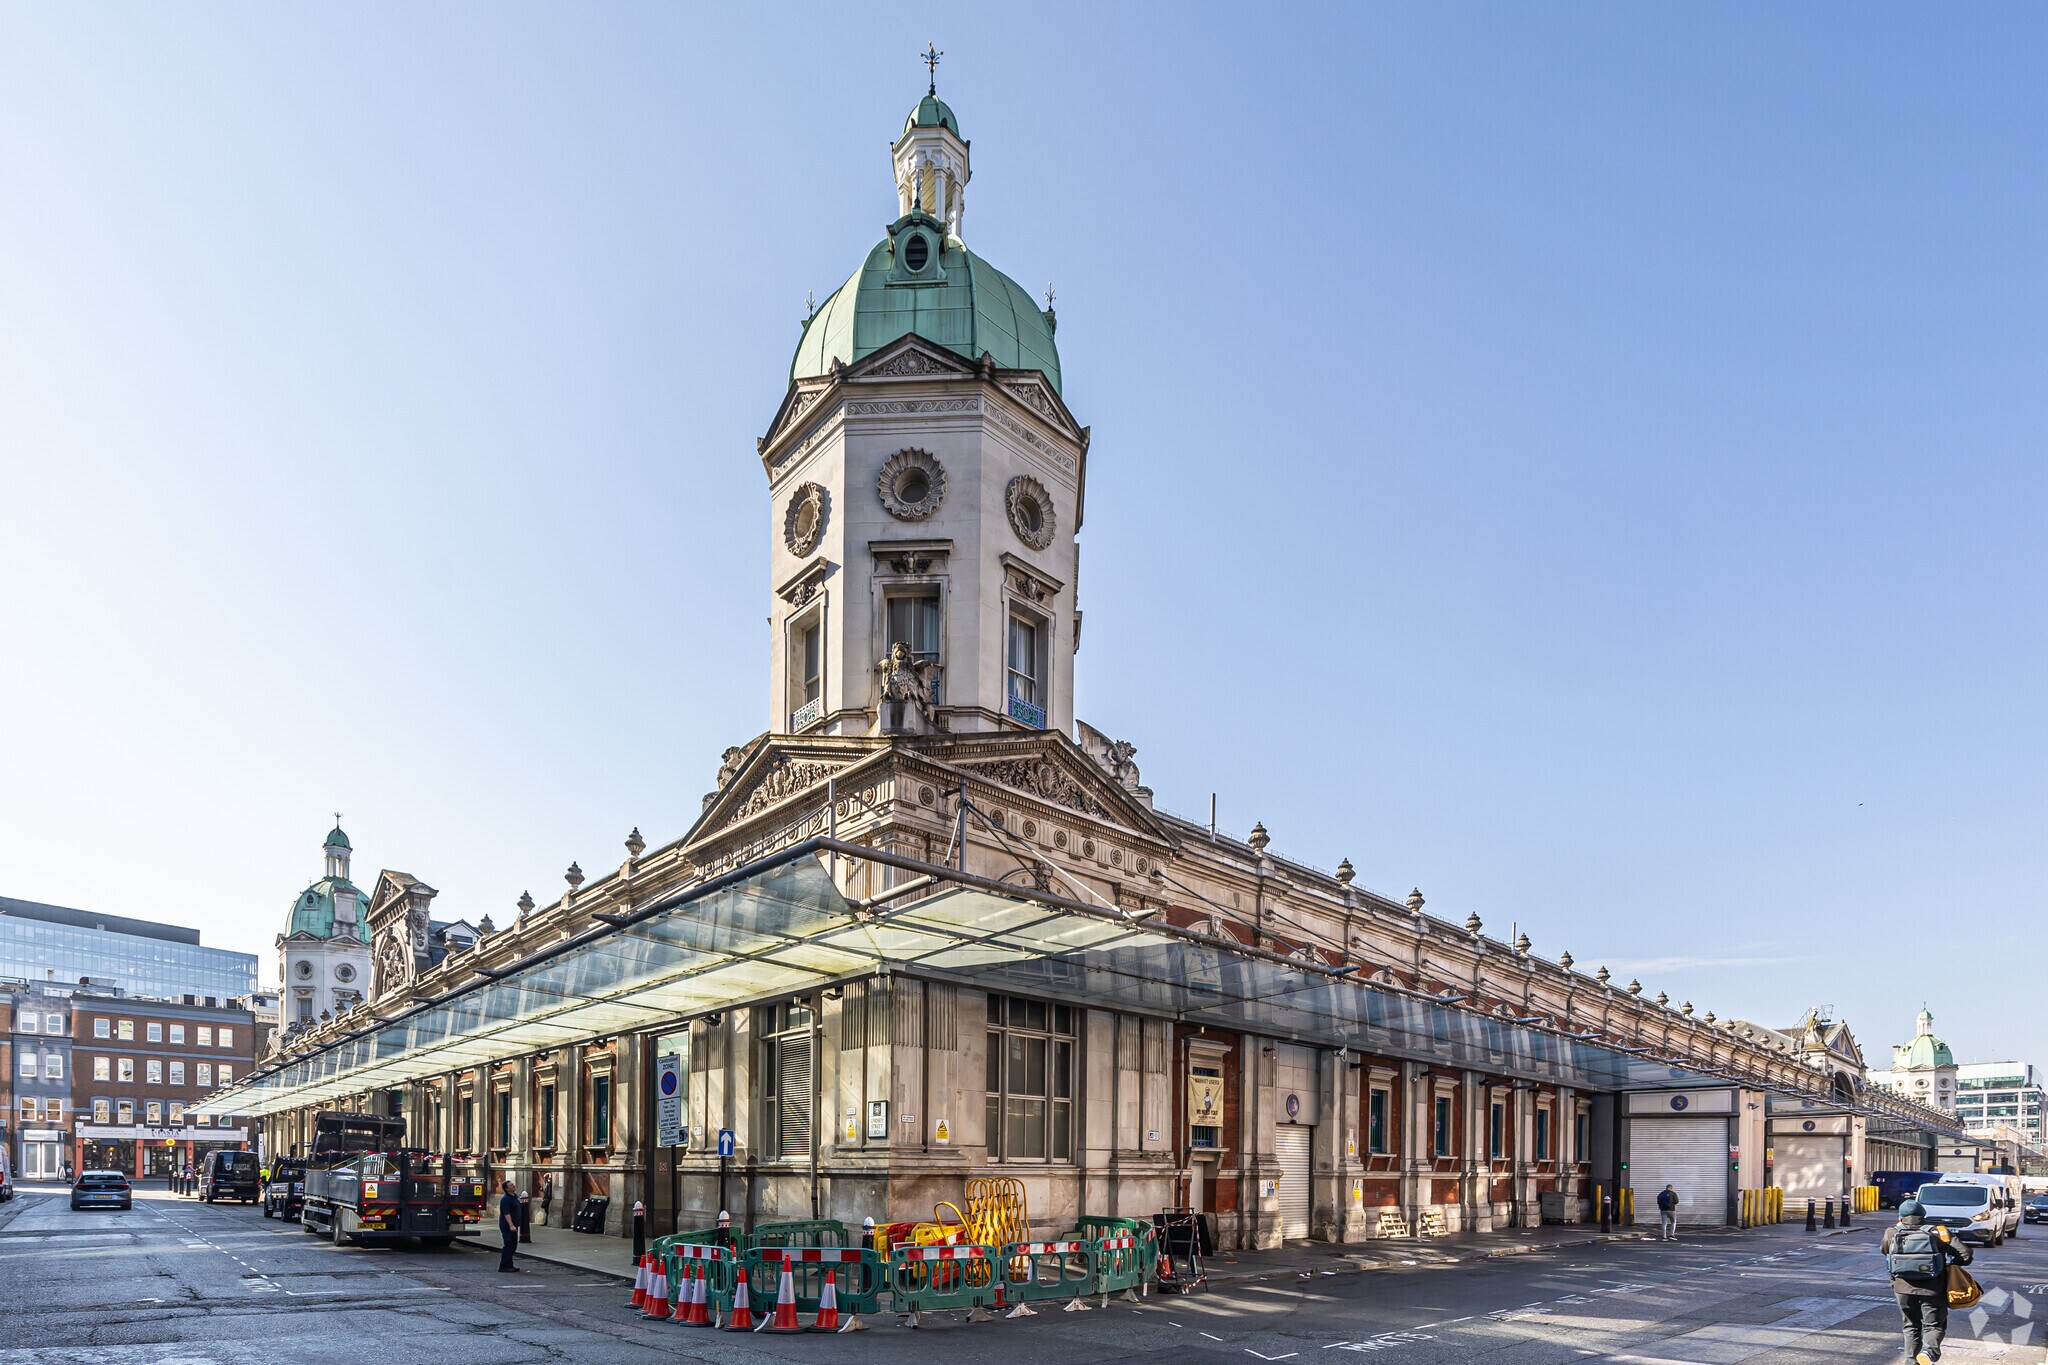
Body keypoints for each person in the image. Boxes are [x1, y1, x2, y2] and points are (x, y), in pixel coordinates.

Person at [1881, 1197, 1970, 1365]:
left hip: (1902, 1287)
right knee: (1934, 1325)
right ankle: (1929, 1352)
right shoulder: (1938, 1231)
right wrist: (1951, 1264)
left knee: (1910, 1326)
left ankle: (1910, 1361)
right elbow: (1965, 1254)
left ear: (1900, 1217)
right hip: (1933, 1287)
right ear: (1923, 1215)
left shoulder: (1892, 1232)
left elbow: (1885, 1251)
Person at [497, 1178, 522, 1273]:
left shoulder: (514, 1196)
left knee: (513, 1245)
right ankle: (503, 1266)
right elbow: (506, 1213)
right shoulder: (505, 1199)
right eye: (511, 1185)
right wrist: (511, 1225)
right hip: (507, 1226)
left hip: (514, 1225)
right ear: (506, 1189)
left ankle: (509, 1265)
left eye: (513, 1184)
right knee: (509, 1244)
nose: (513, 1186)